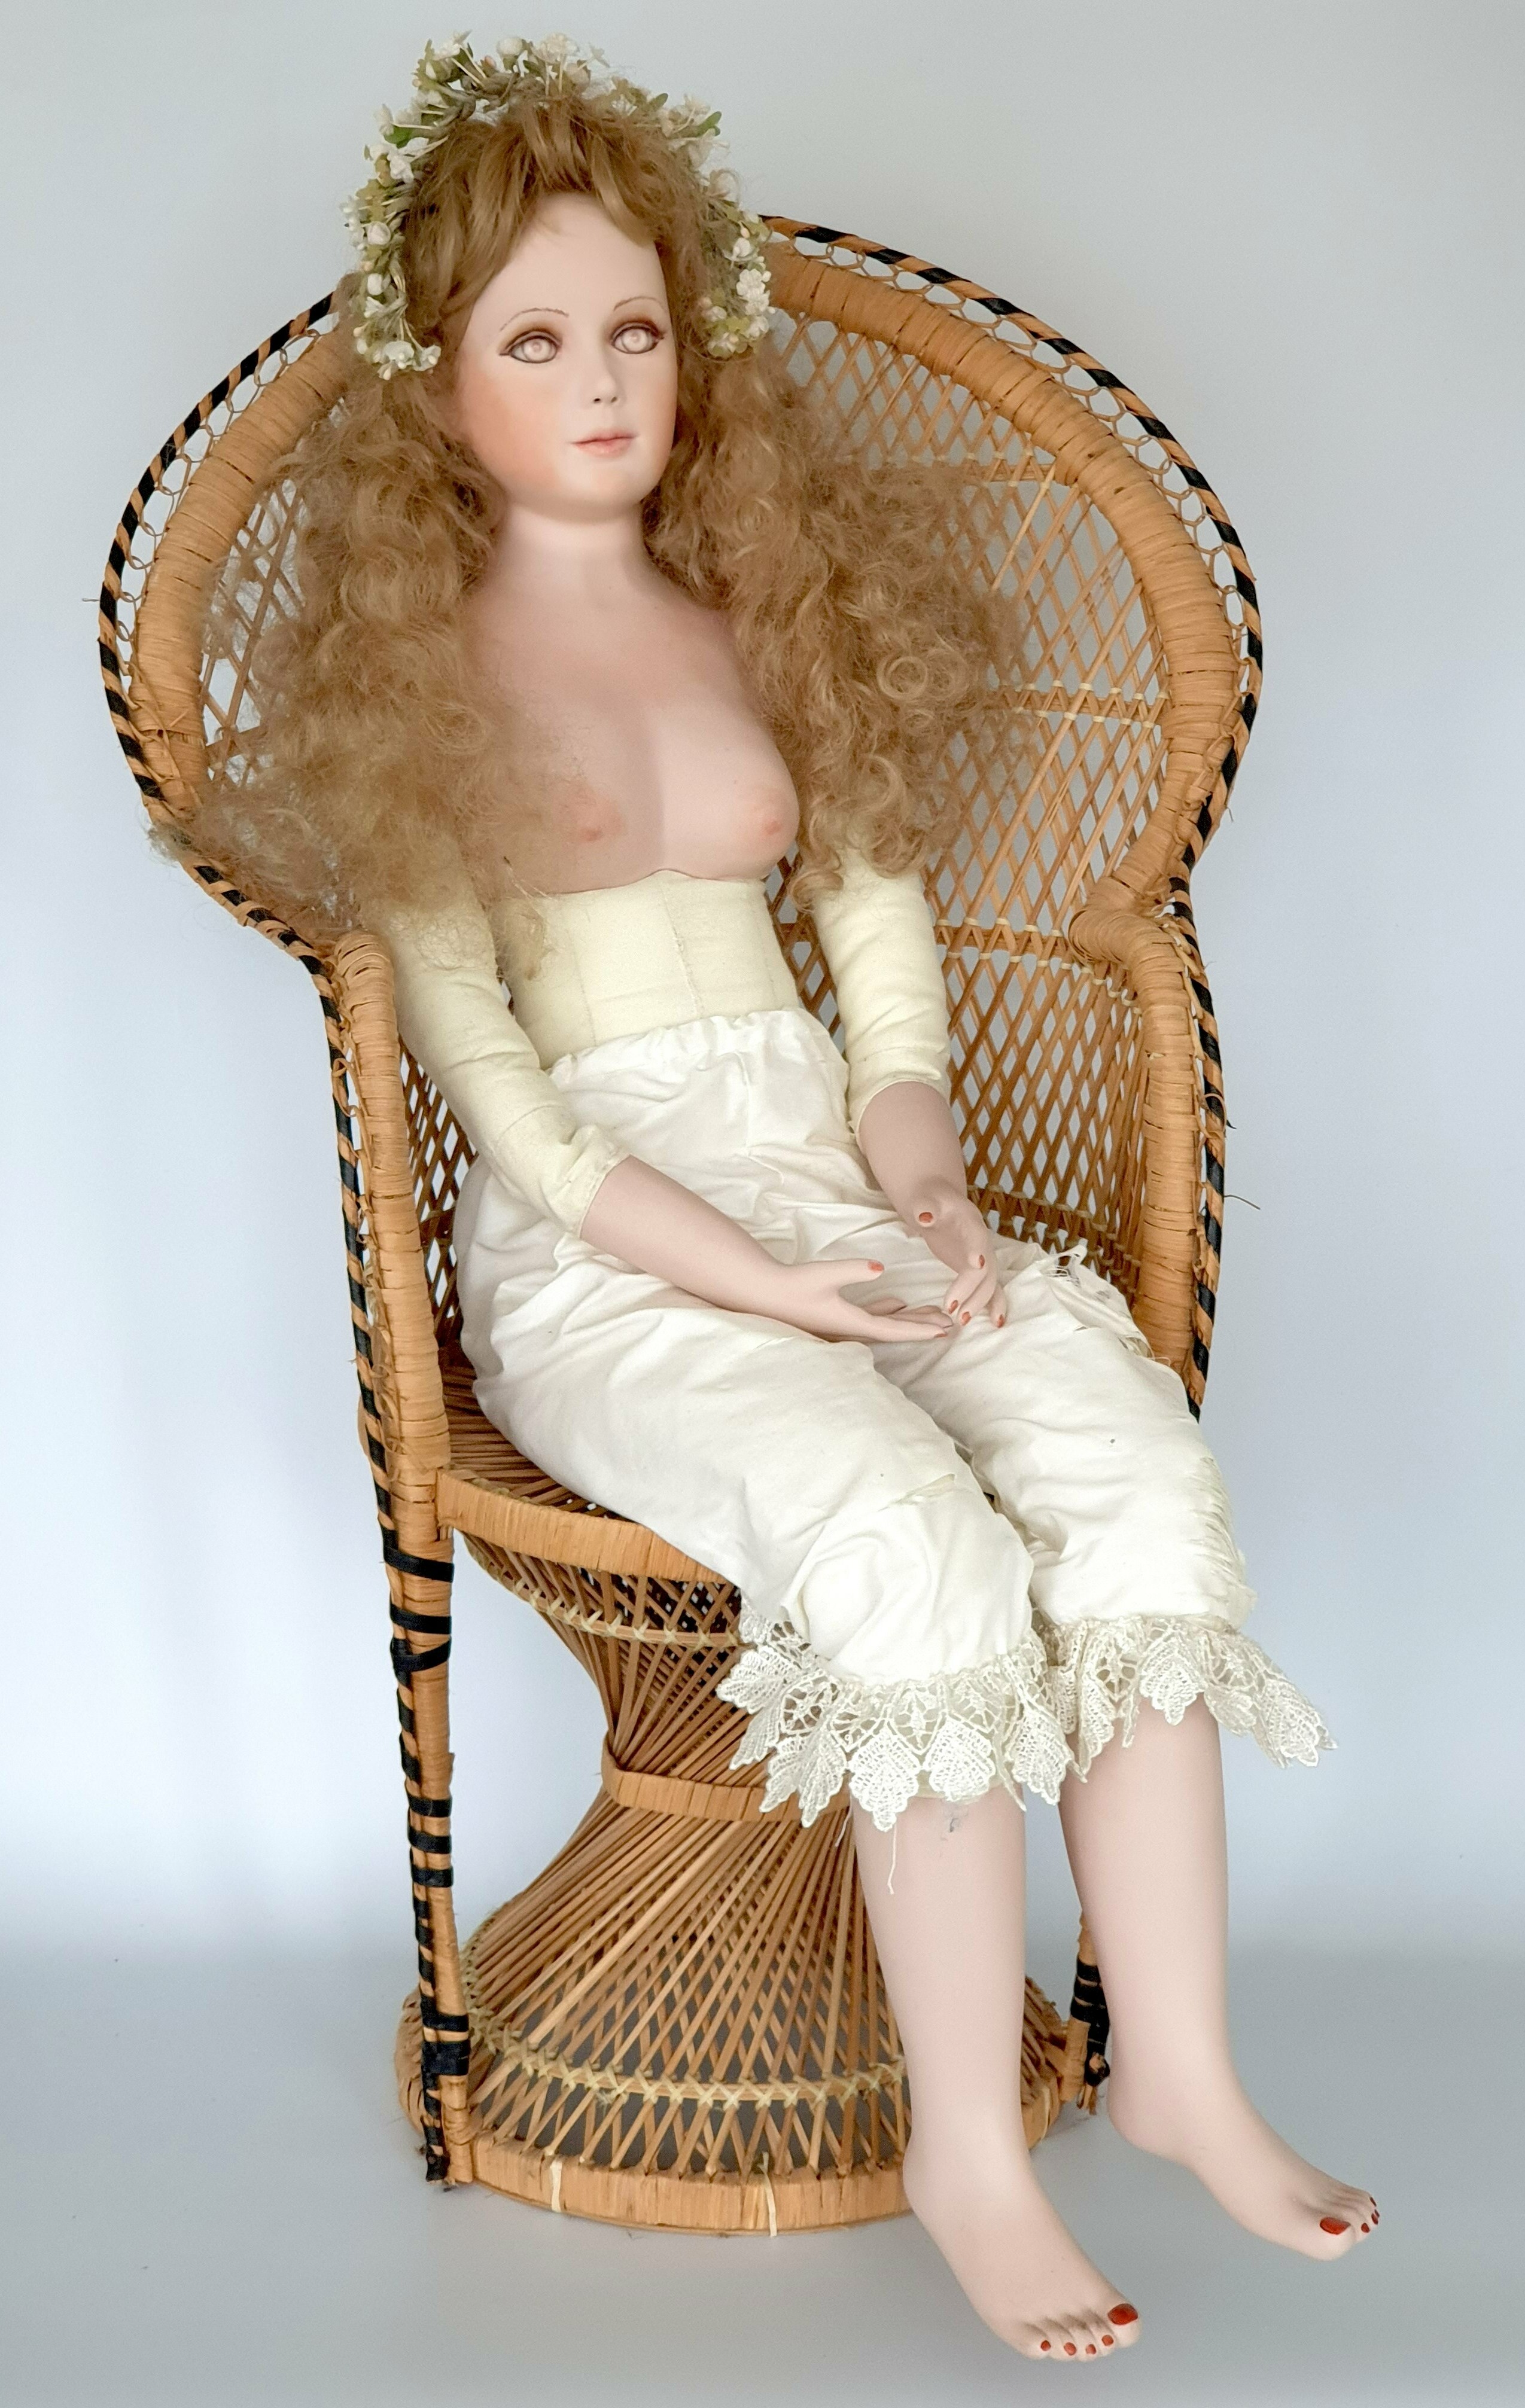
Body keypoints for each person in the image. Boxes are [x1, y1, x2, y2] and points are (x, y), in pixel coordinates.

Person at [181, 33, 1377, 2364]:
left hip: (827, 1161)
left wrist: (915, 1178)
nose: (599, 383)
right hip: (608, 1247)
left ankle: (1175, 2064)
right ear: (436, 384)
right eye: (536, 339)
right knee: (904, 1535)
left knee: (1123, 1465)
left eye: (633, 328)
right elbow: (507, 1106)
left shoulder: (758, 608)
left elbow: (880, 940)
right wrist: (757, 1277)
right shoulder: (407, 684)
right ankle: (963, 2147)